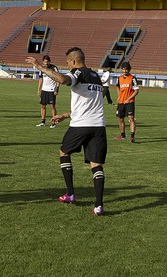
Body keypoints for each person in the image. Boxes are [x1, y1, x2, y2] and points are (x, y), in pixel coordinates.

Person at [26, 47, 107, 216]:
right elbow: (88, 105)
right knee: (96, 164)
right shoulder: (96, 77)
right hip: (99, 126)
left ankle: (70, 193)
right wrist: (65, 115)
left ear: (74, 61)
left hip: (81, 126)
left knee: (64, 152)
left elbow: (63, 79)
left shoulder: (78, 72)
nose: (68, 66)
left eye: (68, 63)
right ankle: (99, 205)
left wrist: (40, 67)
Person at [114, 62, 139, 142]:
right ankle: (122, 135)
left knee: (131, 118)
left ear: (129, 69)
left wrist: (128, 99)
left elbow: (136, 91)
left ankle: (132, 136)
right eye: (123, 69)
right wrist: (119, 96)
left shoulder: (133, 78)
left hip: (130, 102)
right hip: (121, 102)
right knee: (120, 119)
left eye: (126, 69)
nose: (125, 71)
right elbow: (117, 87)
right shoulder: (119, 78)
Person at [35, 55, 59, 128]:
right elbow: (41, 79)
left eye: (47, 61)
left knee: (52, 106)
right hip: (44, 90)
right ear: (43, 62)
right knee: (43, 106)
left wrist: (57, 89)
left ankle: (54, 122)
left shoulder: (54, 68)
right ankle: (43, 121)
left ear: (50, 61)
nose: (46, 63)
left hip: (51, 90)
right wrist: (39, 90)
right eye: (45, 61)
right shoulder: (42, 69)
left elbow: (58, 79)